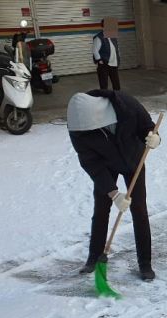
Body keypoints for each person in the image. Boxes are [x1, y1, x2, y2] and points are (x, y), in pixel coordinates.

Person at [67, 90, 161, 280]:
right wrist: (113, 193)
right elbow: (90, 163)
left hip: (134, 160)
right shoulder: (78, 129)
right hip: (105, 164)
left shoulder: (126, 105)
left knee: (139, 210)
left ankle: (145, 264)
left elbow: (147, 126)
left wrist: (154, 137)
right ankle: (94, 257)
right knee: (101, 209)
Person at [93, 20, 121, 90]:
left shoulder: (113, 36)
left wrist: (118, 57)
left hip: (113, 64)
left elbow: (116, 47)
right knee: (104, 85)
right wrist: (99, 60)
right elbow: (95, 50)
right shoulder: (99, 37)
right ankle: (104, 98)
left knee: (116, 84)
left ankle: (117, 98)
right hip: (104, 64)